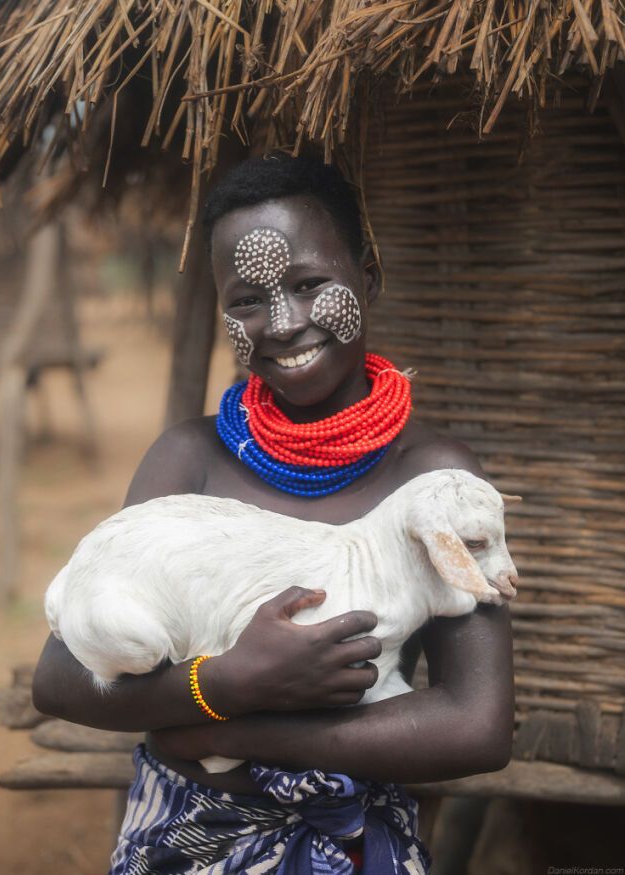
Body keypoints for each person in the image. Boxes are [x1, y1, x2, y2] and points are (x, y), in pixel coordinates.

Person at [32, 154, 514, 874]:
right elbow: (61, 678)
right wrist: (223, 684)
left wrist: (234, 722)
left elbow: (477, 725)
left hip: (356, 845)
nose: (283, 323)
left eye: (310, 283)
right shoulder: (188, 460)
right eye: (247, 300)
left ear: (368, 276)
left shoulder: (433, 480)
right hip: (181, 842)